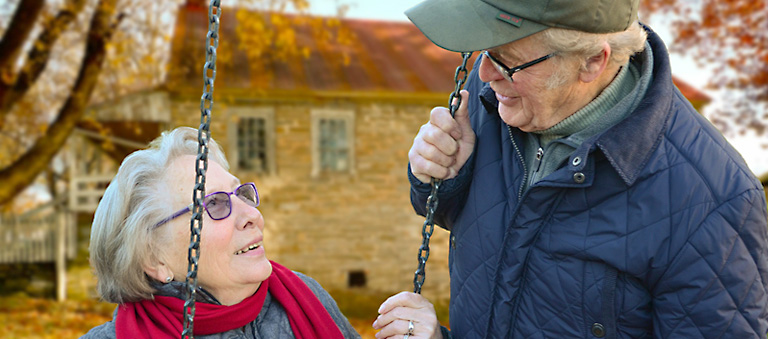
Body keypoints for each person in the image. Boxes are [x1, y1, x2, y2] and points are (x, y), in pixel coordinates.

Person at [382, 0, 768, 337]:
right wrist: (442, 177)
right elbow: (480, 227)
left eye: (508, 61)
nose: (485, 73)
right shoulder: (498, 97)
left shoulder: (715, 203)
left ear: (592, 62)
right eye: (484, 51)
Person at [81, 127, 361, 339]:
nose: (253, 216)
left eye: (241, 193)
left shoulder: (306, 298)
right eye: (214, 203)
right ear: (154, 259)